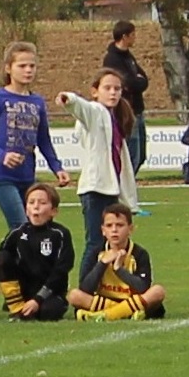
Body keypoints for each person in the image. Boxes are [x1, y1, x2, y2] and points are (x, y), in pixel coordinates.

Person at [56, 68, 140, 281]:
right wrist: (69, 99)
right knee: (94, 242)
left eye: (117, 89)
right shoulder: (95, 111)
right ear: (95, 91)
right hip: (94, 188)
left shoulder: (116, 118)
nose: (113, 93)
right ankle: (84, 289)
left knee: (108, 241)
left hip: (110, 188)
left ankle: (105, 286)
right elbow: (81, 107)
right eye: (107, 88)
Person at [0, 42, 70, 230]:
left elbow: (43, 139)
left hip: (28, 176)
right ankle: (8, 259)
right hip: (2, 176)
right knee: (20, 225)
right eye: (22, 66)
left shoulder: (37, 102)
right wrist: (2, 155)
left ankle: (16, 258)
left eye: (32, 66)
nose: (28, 70)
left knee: (35, 227)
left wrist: (57, 168)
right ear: (8, 68)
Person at [0, 183, 74, 322]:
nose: (36, 206)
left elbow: (62, 269)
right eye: (31, 202)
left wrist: (38, 299)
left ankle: (34, 307)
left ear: (53, 211)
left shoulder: (60, 234)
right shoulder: (18, 232)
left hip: (50, 292)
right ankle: (16, 308)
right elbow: (1, 255)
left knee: (48, 313)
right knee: (3, 257)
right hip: (24, 291)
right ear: (26, 210)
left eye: (42, 202)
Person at [68, 203, 166, 321]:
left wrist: (119, 269)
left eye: (120, 225)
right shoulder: (96, 253)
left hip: (132, 299)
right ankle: (125, 312)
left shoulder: (139, 253)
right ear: (103, 230)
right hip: (106, 301)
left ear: (130, 229)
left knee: (158, 291)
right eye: (109, 226)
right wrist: (102, 264)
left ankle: (107, 315)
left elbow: (143, 288)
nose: (114, 230)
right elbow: (85, 288)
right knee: (74, 295)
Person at [101, 21, 151, 174]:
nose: (135, 38)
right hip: (127, 112)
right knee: (131, 155)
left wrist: (138, 81)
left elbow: (143, 79)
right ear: (124, 36)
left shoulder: (129, 57)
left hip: (138, 109)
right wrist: (135, 82)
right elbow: (128, 83)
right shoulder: (112, 59)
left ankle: (128, 185)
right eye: (133, 35)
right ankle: (123, 188)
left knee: (140, 155)